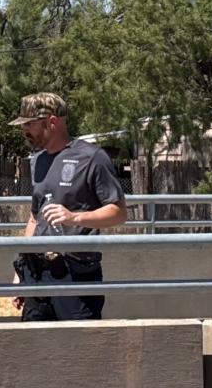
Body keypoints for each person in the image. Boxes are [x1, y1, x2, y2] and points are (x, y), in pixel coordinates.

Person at [9, 92, 127, 322]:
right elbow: (35, 219)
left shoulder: (92, 158)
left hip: (75, 273)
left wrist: (75, 217)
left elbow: (118, 212)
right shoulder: (37, 160)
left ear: (51, 122)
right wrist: (19, 273)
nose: (25, 131)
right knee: (33, 349)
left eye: (30, 124)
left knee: (79, 350)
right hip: (37, 274)